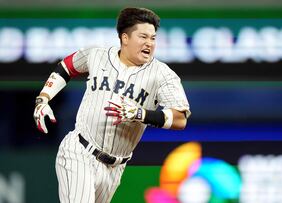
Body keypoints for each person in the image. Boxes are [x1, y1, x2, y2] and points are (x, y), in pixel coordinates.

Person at [33, 7, 191, 203]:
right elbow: (66, 67)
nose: (149, 43)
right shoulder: (97, 55)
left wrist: (141, 114)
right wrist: (44, 98)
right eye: (143, 37)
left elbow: (180, 118)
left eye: (153, 38)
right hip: (80, 151)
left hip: (115, 167)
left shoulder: (162, 74)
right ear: (125, 38)